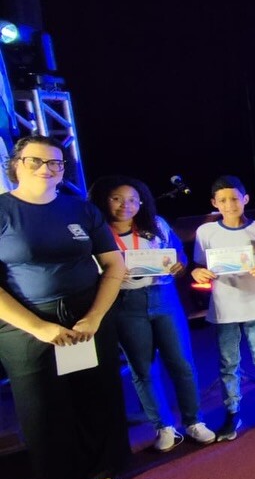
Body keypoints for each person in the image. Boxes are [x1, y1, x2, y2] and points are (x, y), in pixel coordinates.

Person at [0, 136, 129, 479]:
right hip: (24, 324)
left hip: (87, 316)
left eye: (55, 163)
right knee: (41, 405)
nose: (47, 169)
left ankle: (101, 469)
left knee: (95, 394)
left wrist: (94, 317)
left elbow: (114, 266)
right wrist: (39, 328)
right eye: (36, 161)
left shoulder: (81, 210)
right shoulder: (3, 211)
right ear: (17, 164)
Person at [90, 175, 214, 451]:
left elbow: (179, 254)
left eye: (133, 199)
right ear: (104, 201)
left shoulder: (156, 224)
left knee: (182, 362)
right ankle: (163, 427)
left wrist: (180, 265)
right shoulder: (98, 232)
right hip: (125, 303)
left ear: (142, 202)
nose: (125, 205)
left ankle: (194, 421)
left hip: (164, 296)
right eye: (117, 199)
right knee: (142, 368)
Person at [192, 174, 255, 440]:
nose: (229, 204)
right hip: (223, 307)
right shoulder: (206, 232)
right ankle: (232, 413)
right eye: (222, 200)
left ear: (245, 199)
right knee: (228, 364)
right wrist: (198, 274)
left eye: (234, 198)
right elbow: (198, 266)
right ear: (214, 203)